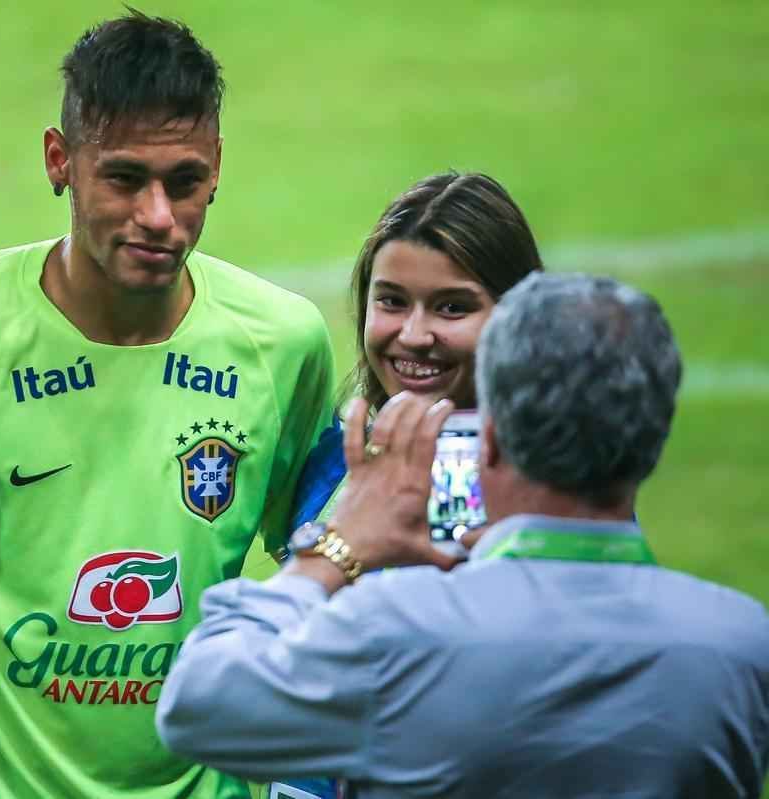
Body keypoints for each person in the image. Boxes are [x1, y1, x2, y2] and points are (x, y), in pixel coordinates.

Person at [0, 10, 335, 799]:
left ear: (218, 167)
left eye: (186, 181)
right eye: (126, 178)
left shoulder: (284, 345)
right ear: (60, 160)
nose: (159, 216)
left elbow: (328, 560)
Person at [157, 273, 769, 798]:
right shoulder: (742, 647)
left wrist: (334, 547)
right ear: (653, 444)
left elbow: (198, 703)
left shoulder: (402, 631)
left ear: (493, 439)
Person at [289, 171, 543, 534]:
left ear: (517, 315)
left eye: (452, 307)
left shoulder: (554, 487)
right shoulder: (333, 462)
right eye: (392, 301)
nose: (413, 335)